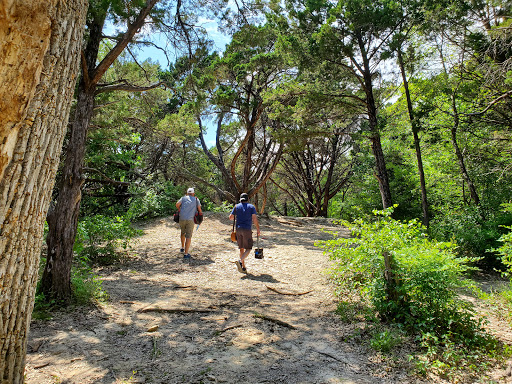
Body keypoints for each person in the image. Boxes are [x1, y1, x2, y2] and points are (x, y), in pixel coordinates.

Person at [229, 192, 261, 274]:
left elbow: (230, 218)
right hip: (247, 229)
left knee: (241, 248)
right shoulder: (251, 207)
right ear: (248, 199)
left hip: (238, 229)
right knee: (248, 248)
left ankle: (243, 267)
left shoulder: (236, 206)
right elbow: (254, 219)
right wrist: (258, 229)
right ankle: (240, 261)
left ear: (240, 200)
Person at [176, 187, 203, 259]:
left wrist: (179, 210)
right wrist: (200, 215)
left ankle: (182, 247)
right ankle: (186, 254)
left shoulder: (183, 198)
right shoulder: (196, 199)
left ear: (187, 193)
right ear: (193, 193)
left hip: (182, 218)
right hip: (190, 219)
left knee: (182, 232)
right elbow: (199, 208)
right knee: (188, 235)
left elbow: (177, 204)